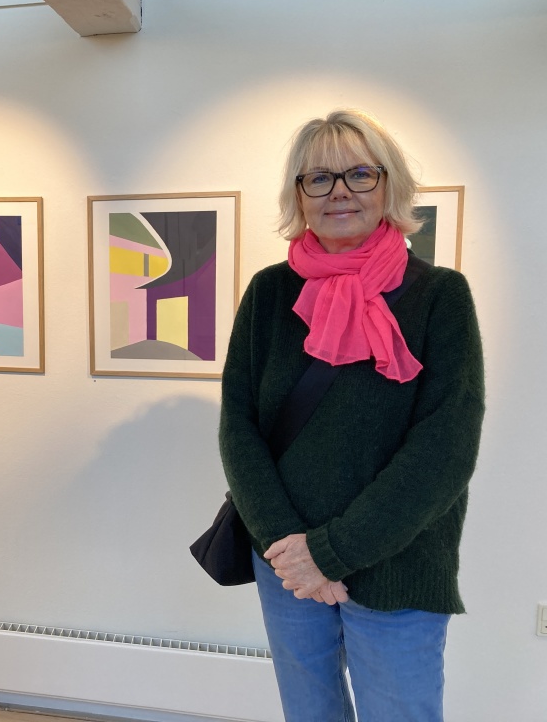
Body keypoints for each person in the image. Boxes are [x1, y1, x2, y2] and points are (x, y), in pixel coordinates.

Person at [218, 109, 485, 721]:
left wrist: (331, 552)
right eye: (319, 178)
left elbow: (445, 449)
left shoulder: (440, 296)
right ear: (299, 196)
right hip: (287, 563)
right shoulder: (268, 293)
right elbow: (239, 428)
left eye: (360, 174)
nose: (339, 191)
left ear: (389, 186)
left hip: (398, 561)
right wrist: (290, 549)